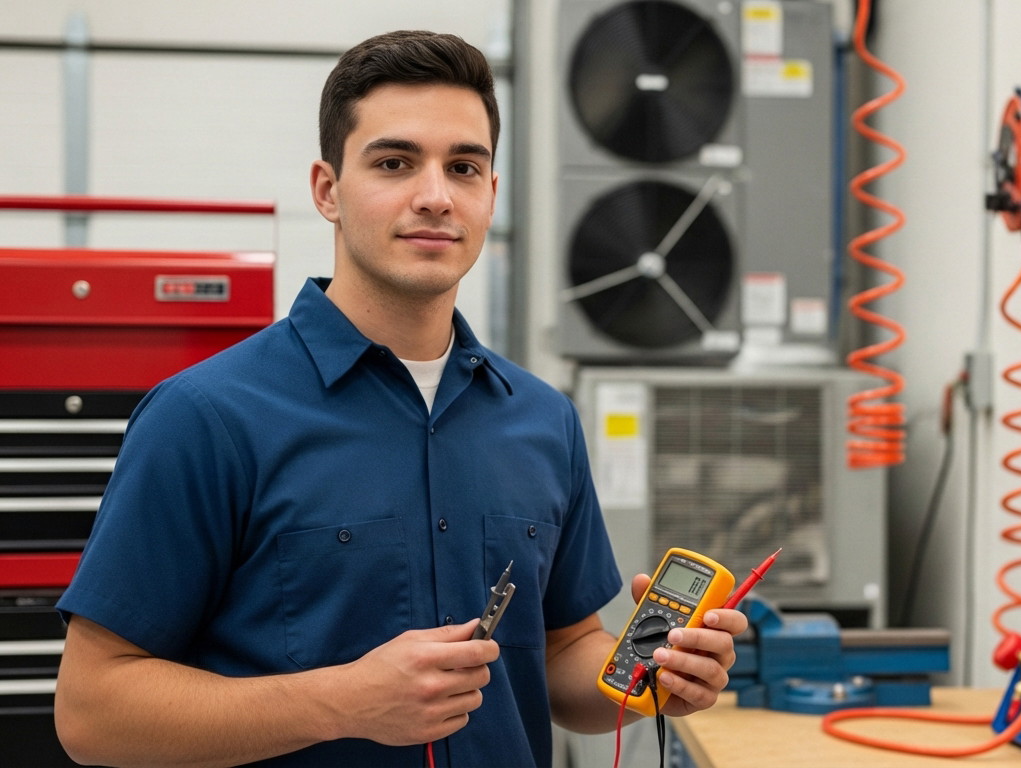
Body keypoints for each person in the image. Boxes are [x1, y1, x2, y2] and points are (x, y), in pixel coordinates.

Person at [53, 30, 746, 767]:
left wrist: (649, 674)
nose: (435, 196)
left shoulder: (543, 420)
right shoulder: (207, 418)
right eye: (394, 162)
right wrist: (341, 701)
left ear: (491, 194)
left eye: (464, 167)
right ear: (328, 190)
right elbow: (94, 710)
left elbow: (562, 654)